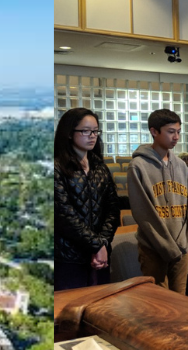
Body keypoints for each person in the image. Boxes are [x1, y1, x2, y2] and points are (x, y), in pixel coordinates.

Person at [126, 109, 188, 294]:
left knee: (180, 299)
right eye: (171, 132)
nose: (176, 137)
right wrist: (166, 245)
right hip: (153, 246)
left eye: (178, 131)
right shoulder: (138, 166)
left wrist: (186, 242)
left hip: (181, 246)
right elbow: (143, 211)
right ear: (154, 131)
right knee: (159, 301)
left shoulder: (181, 166)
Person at [53, 107, 120, 290]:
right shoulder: (57, 167)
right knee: (70, 313)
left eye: (95, 131)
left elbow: (112, 209)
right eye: (85, 131)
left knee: (98, 310)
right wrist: (96, 245)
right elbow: (63, 215)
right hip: (69, 257)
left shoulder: (99, 166)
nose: (92, 136)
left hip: (100, 256)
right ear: (69, 133)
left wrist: (103, 243)